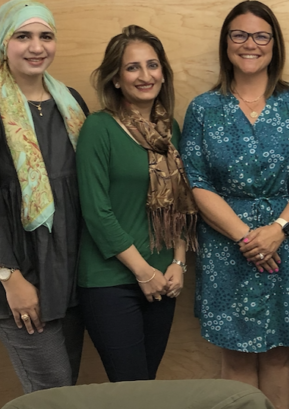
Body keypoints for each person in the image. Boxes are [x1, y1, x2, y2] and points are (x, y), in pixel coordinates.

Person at [181, 0, 289, 409]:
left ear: (274, 44)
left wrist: (277, 231)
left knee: (281, 352)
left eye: (261, 35)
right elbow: (196, 182)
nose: (251, 44)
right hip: (229, 247)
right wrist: (247, 237)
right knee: (237, 354)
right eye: (239, 35)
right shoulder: (204, 109)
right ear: (226, 43)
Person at [0, 0, 88, 393]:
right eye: (23, 36)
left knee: (66, 390)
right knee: (52, 393)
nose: (37, 47)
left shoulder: (72, 103)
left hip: (69, 275)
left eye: (46, 36)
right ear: (3, 44)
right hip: (16, 276)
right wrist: (10, 278)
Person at [76, 25, 197, 381]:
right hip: (112, 280)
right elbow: (97, 212)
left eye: (152, 65)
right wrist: (143, 271)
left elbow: (179, 202)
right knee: (130, 389)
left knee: (147, 386)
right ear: (115, 78)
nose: (145, 76)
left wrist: (179, 262)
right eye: (133, 67)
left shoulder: (168, 129)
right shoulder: (99, 128)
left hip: (164, 279)